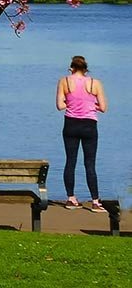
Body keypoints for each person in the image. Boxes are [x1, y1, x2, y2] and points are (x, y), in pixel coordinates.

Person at [57, 54, 108, 211]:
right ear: (86, 69)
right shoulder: (95, 83)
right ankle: (95, 201)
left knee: (70, 161)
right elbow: (104, 108)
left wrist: (71, 102)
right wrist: (91, 105)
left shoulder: (64, 81)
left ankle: (71, 199)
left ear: (71, 68)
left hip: (71, 124)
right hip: (89, 125)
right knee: (90, 164)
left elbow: (60, 106)